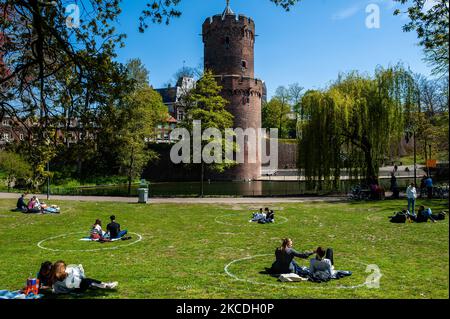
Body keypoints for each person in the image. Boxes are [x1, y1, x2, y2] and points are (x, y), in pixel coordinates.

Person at [49, 260, 118, 294]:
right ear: (61, 268)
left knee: (87, 282)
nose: (65, 268)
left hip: (73, 289)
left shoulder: (55, 278)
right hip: (75, 290)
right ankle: (106, 285)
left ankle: (99, 285)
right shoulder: (62, 277)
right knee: (86, 280)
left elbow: (57, 289)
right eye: (64, 267)